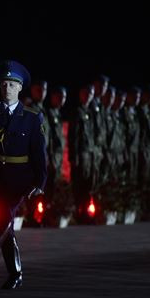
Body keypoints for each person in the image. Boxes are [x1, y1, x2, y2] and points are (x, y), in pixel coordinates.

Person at [0, 61, 47, 289]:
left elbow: (39, 153)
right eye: (3, 84)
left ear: (19, 88)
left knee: (5, 216)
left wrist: (41, 181)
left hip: (19, 178)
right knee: (4, 222)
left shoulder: (32, 117)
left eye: (11, 84)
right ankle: (15, 272)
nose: (6, 88)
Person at [69, 82, 96, 223]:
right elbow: (74, 136)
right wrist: (74, 157)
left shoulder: (91, 112)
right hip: (81, 154)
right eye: (86, 93)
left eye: (90, 94)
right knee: (79, 185)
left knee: (88, 185)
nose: (88, 97)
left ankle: (86, 213)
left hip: (90, 154)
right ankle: (79, 213)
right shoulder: (77, 112)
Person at [121, 86, 142, 185]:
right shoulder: (123, 112)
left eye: (138, 97)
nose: (136, 99)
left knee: (133, 178)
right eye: (134, 97)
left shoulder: (136, 113)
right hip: (125, 151)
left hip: (134, 150)